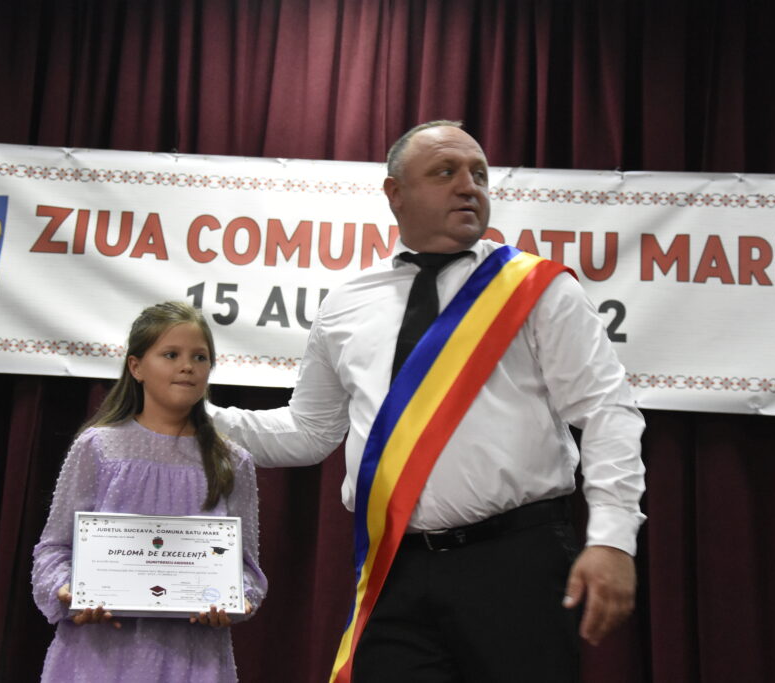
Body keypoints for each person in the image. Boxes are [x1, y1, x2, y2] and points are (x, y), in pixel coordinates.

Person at [210, 120, 645, 682]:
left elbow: (607, 412)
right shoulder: (347, 302)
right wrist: (195, 420)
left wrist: (613, 539)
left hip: (516, 562)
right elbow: (309, 431)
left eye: (479, 175)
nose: (469, 187)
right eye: (445, 172)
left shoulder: (539, 289)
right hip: (394, 568)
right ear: (395, 193)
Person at [32, 302, 267, 683]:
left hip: (192, 662)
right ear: (136, 367)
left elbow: (247, 569)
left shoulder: (233, 461)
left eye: (200, 357)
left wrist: (234, 599)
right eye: (171, 355)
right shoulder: (98, 448)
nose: (187, 366)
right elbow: (53, 549)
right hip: (97, 661)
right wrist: (69, 591)